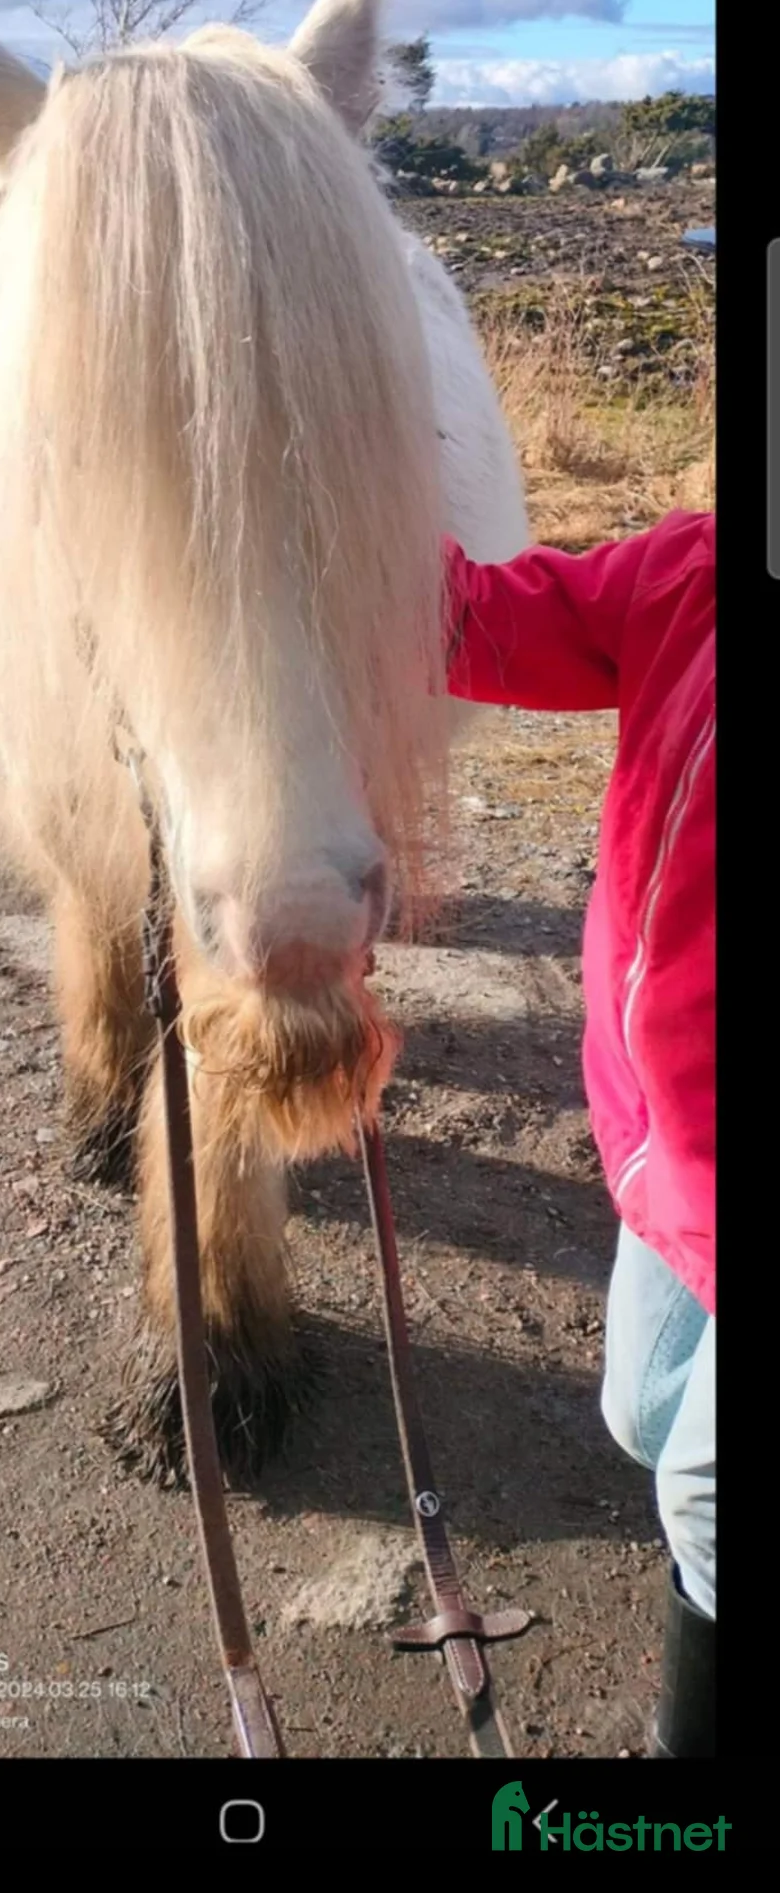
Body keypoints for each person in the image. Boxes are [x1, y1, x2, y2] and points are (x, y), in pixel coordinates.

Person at [442, 510, 715, 1759]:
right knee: (645, 1415)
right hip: (669, 1156)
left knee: (702, 1495)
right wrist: (325, 530)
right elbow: (499, 620)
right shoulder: (690, 569)